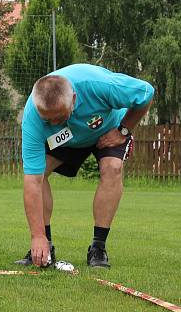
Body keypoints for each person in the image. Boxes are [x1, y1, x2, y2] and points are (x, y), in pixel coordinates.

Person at [17, 64, 154, 268]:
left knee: (113, 168)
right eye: (48, 120)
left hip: (108, 131)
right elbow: (32, 181)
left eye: (60, 117)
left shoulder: (98, 86)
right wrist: (37, 235)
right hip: (66, 139)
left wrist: (123, 131)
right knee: (41, 172)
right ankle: (45, 246)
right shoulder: (33, 117)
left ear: (73, 99)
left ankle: (98, 249)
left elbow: (146, 92)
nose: (53, 123)